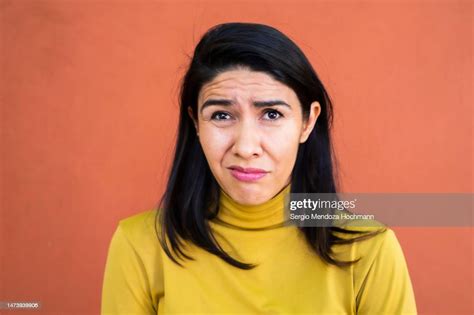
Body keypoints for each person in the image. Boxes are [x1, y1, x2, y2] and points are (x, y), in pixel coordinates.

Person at [101, 22, 417, 314]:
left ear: (308, 121)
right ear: (196, 122)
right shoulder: (139, 245)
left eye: (272, 114)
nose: (246, 147)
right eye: (222, 115)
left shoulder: (368, 249)